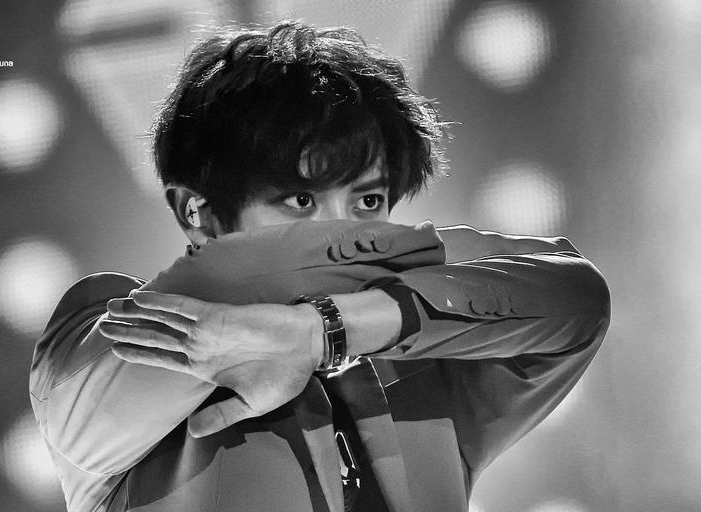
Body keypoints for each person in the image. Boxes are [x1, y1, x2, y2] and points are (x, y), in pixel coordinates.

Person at [30, 20, 610, 512]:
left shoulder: (424, 366)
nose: (349, 232)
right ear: (197, 213)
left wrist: (323, 332)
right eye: (302, 200)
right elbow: (230, 277)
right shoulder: (111, 328)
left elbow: (577, 298)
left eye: (369, 201)